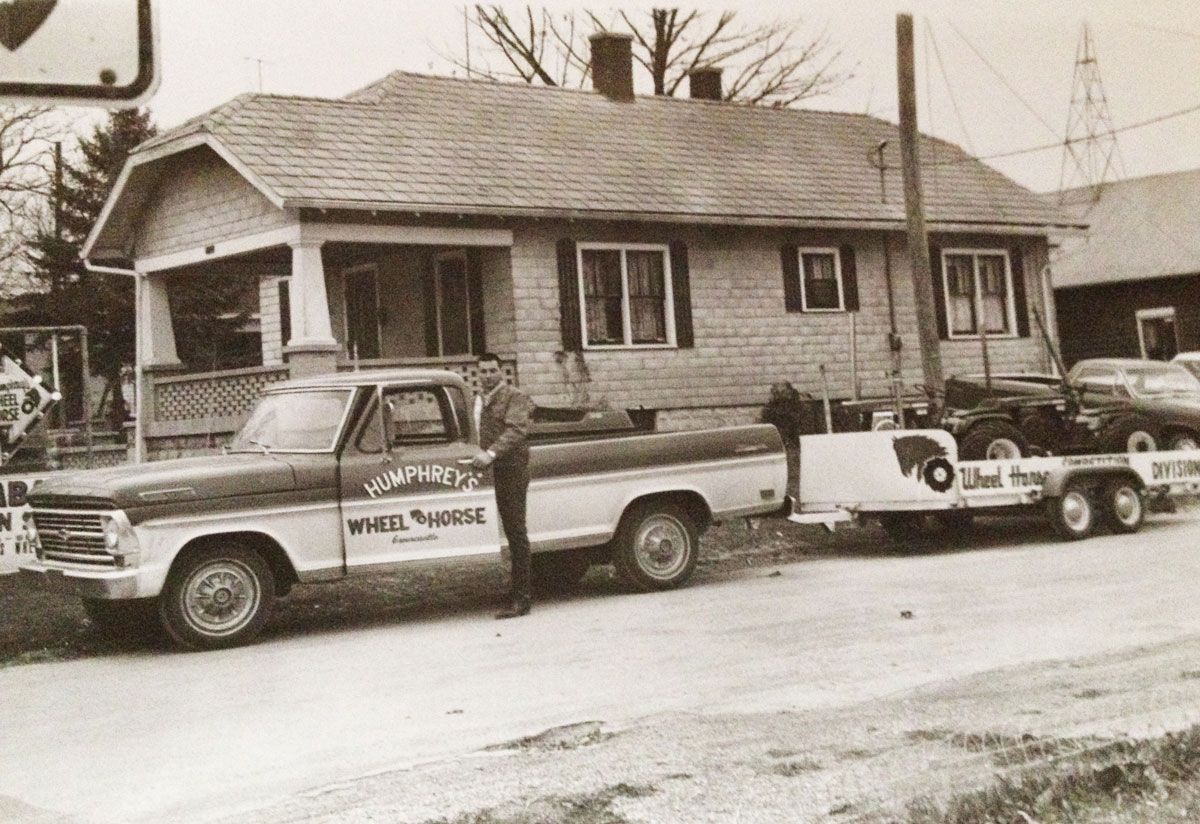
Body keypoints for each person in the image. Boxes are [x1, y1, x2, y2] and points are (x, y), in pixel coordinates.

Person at [470, 353, 534, 619]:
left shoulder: (514, 396)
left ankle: (522, 597)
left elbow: (517, 431)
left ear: (501, 371)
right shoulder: (479, 400)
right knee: (504, 531)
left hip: (511, 470)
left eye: (492, 370)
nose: (487, 375)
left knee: (515, 531)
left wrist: (491, 454)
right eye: (483, 371)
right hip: (490, 471)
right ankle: (516, 590)